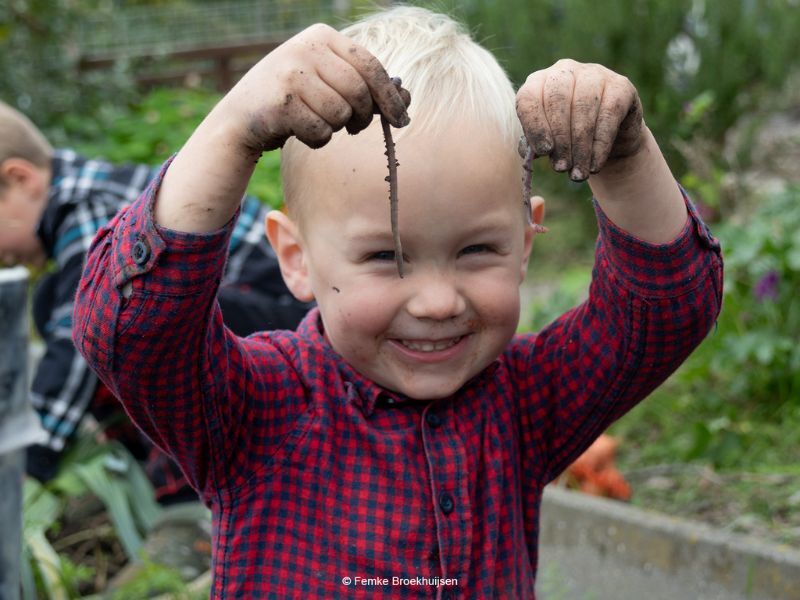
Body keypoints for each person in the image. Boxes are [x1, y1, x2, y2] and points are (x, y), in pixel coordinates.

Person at [72, 6, 723, 597]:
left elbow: (664, 312)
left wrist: (627, 154)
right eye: (386, 257)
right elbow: (131, 330)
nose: (438, 301)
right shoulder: (254, 408)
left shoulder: (526, 404)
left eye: (477, 251)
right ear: (296, 259)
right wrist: (232, 129)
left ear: (527, 241)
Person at [0, 101, 313, 499]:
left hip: (286, 326)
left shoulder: (86, 205)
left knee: (133, 315)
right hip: (251, 320)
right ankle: (154, 455)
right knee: (58, 299)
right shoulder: (85, 195)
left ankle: (183, 484)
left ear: (20, 178)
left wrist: (31, 458)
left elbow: (75, 343)